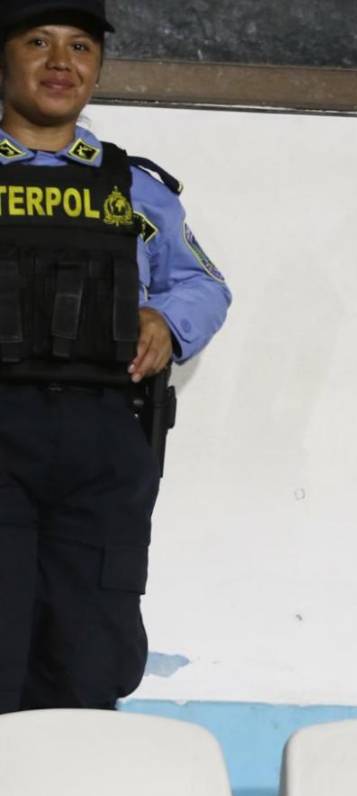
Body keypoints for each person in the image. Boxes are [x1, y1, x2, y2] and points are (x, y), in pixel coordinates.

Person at [0, 2, 231, 712]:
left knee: (89, 661)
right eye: (37, 42)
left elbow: (204, 282)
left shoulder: (133, 185)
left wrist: (166, 318)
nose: (60, 63)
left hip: (102, 442)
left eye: (80, 47)